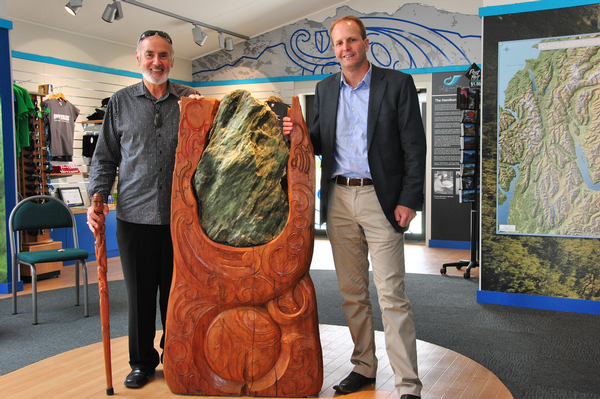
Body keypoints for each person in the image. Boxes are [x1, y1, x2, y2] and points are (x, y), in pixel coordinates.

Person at [283, 15, 426, 399]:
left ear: (365, 43)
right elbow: (318, 141)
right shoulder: (325, 88)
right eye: (338, 43)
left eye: (351, 41)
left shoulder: (396, 84)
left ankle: (408, 385)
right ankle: (364, 365)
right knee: (352, 292)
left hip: (382, 199)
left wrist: (409, 200)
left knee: (391, 294)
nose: (344, 49)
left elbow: (414, 146)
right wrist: (300, 136)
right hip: (339, 200)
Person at [86, 30, 201, 389]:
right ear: (138, 58)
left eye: (163, 55)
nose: (157, 62)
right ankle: (142, 362)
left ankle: (177, 355)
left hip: (181, 218)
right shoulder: (119, 103)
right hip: (133, 217)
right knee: (139, 295)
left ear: (172, 59)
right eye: (149, 54)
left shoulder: (190, 101)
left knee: (178, 293)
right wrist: (97, 199)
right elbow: (104, 159)